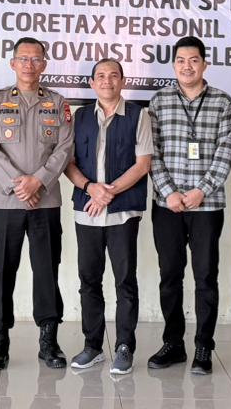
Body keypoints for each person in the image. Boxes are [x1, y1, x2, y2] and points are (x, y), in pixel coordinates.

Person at [0, 37, 75, 370]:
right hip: (7, 201)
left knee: (46, 271)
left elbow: (64, 148)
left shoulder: (58, 103)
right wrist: (18, 184)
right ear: (13, 63)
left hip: (45, 201)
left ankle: (49, 341)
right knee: (2, 272)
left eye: (36, 59)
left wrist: (39, 181)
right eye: (23, 58)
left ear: (44, 64)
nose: (29, 65)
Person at [147, 36, 231, 375]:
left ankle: (203, 347)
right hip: (166, 205)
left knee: (205, 278)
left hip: (207, 206)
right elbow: (151, 151)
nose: (187, 66)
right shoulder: (159, 101)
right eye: (181, 60)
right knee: (169, 276)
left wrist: (202, 190)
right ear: (174, 65)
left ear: (204, 64)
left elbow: (226, 151)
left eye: (194, 60)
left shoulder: (222, 102)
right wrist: (169, 191)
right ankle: (173, 344)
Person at [61, 59, 153, 375]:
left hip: (122, 212)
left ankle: (125, 346)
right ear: (91, 83)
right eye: (100, 76)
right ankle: (93, 346)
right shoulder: (80, 117)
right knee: (89, 280)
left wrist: (107, 192)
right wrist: (90, 188)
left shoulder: (139, 115)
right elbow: (68, 163)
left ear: (123, 81)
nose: (107, 81)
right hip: (87, 211)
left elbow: (142, 164)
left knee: (125, 280)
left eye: (114, 75)